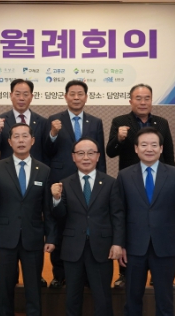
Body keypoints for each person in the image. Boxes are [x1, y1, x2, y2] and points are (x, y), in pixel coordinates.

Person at [118, 127, 175, 316]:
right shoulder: (124, 176)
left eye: (154, 145)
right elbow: (119, 213)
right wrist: (120, 244)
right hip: (133, 248)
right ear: (136, 148)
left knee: (165, 302)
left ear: (161, 148)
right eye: (144, 145)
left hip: (165, 248)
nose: (149, 149)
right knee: (132, 301)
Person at [0, 123, 56, 316]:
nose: (21, 140)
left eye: (25, 136)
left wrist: (51, 237)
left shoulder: (44, 170)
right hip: (5, 236)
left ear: (33, 140)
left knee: (33, 288)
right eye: (16, 137)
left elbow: (47, 208)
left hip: (33, 237)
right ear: (9, 141)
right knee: (5, 287)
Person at [106, 83, 175, 289]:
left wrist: (171, 183)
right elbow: (110, 152)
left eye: (147, 98)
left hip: (157, 184)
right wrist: (119, 138)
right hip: (131, 184)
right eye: (138, 98)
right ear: (130, 101)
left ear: (152, 101)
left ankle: (157, 273)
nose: (143, 102)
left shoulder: (162, 123)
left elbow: (169, 155)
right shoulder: (120, 122)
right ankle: (125, 274)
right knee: (128, 226)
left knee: (158, 226)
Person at [50, 137, 125, 316]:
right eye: (80, 153)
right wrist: (56, 199)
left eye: (90, 153)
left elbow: (118, 215)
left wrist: (117, 243)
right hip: (72, 248)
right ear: (73, 157)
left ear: (98, 156)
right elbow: (60, 216)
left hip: (101, 248)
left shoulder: (111, 182)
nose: (85, 157)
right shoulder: (64, 183)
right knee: (72, 298)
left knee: (102, 298)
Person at [43, 79, 106, 289]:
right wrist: (52, 134)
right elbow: (46, 151)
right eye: (72, 93)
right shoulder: (53, 120)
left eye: (80, 94)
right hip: (62, 180)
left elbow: (100, 154)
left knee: (86, 226)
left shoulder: (95, 122)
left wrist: (102, 182)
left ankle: (87, 274)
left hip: (89, 181)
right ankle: (59, 274)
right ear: (65, 96)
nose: (76, 97)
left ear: (86, 97)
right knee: (61, 225)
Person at [0, 79, 48, 162]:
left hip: (35, 168)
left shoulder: (42, 122)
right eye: (17, 94)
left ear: (31, 97)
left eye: (25, 94)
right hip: (8, 168)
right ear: (11, 95)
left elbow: (48, 151)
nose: (21, 98)